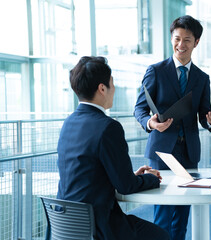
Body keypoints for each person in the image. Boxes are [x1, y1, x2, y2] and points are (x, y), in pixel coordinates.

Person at [57, 56, 170, 240]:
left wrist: (130, 176)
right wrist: (151, 178)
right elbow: (125, 187)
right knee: (160, 236)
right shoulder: (108, 127)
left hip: (67, 226)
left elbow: (89, 174)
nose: (114, 89)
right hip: (99, 226)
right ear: (102, 88)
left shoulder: (68, 123)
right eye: (112, 83)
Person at [134, 15, 211, 240]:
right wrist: (150, 123)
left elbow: (204, 115)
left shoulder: (202, 78)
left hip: (188, 153)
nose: (180, 45)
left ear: (196, 42)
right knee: (163, 214)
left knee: (182, 216)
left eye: (187, 40)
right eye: (176, 39)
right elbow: (139, 109)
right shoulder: (156, 71)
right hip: (161, 151)